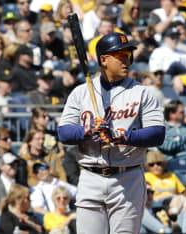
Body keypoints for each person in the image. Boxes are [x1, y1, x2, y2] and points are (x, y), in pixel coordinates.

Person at [58, 32, 165, 234]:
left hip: (128, 176)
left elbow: (157, 134)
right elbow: (64, 133)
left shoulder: (142, 92)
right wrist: (88, 131)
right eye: (121, 56)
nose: (128, 60)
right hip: (91, 175)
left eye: (129, 55)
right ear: (104, 60)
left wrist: (123, 136)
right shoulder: (80, 93)